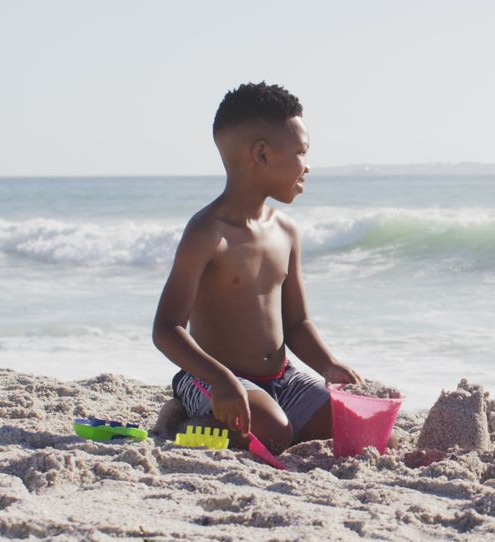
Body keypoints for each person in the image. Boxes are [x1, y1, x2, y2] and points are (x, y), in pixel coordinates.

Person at [152, 82, 362, 455]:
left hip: (282, 379)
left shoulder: (286, 231)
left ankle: (267, 416)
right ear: (262, 155)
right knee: (273, 431)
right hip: (212, 379)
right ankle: (182, 420)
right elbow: (166, 329)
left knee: (359, 434)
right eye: (300, 152)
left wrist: (329, 365)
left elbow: (297, 324)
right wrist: (220, 379)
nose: (307, 165)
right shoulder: (207, 232)